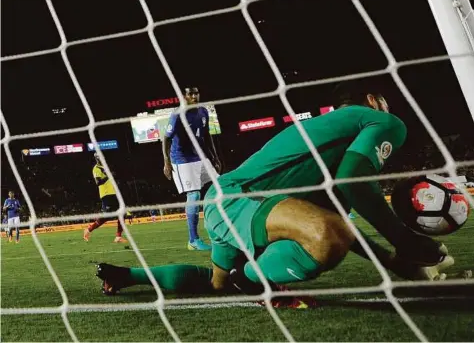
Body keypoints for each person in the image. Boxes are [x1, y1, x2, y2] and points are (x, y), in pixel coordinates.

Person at [96, 83, 452, 301]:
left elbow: (340, 217)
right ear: (373, 100)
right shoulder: (381, 120)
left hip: (232, 204)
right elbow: (345, 196)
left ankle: (126, 275)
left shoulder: (329, 144)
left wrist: (391, 262)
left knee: (215, 283)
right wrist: (403, 240)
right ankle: (250, 280)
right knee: (328, 237)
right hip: (243, 199)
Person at [162, 87, 221, 251]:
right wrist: (166, 161)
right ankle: (193, 240)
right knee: (194, 194)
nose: (194, 96)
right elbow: (166, 139)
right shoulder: (177, 114)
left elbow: (207, 135)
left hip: (201, 157)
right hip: (182, 160)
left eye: (196, 93)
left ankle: (222, 227)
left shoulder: (203, 111)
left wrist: (214, 158)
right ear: (184, 96)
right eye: (190, 94)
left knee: (220, 186)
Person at [83, 153, 127, 243]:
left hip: (112, 193)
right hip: (106, 195)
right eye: (99, 158)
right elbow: (98, 182)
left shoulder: (105, 167)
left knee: (122, 213)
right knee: (107, 216)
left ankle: (118, 237)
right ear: (96, 159)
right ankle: (88, 230)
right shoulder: (96, 168)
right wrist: (108, 176)